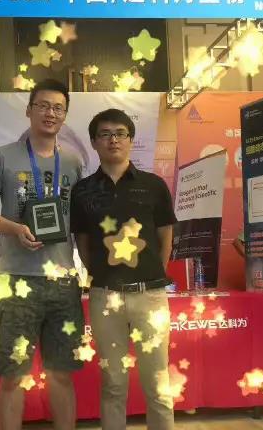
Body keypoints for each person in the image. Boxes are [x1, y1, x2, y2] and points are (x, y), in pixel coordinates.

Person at [0, 79, 84, 430]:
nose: (50, 113)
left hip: (63, 281)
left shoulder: (73, 161)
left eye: (58, 108)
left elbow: (79, 219)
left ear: (64, 115)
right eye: (43, 105)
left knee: (62, 373)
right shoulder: (3, 156)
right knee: (13, 375)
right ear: (29, 110)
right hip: (16, 280)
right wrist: (16, 229)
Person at [71, 108, 176, 430]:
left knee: (157, 384)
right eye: (105, 134)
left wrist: (151, 276)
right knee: (113, 383)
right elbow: (83, 243)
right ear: (94, 142)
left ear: (130, 139)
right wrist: (104, 277)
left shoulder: (153, 185)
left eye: (120, 133)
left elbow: (165, 238)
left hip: (150, 296)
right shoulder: (83, 190)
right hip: (105, 297)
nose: (113, 140)